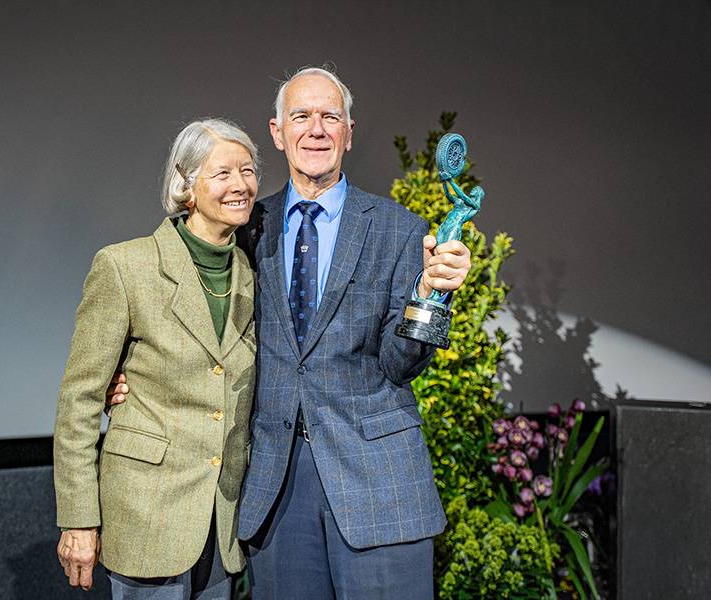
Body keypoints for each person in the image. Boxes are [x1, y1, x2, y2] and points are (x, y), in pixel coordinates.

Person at [108, 66, 472, 598]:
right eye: (301, 116)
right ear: (278, 133)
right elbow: (187, 319)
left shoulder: (401, 229)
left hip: (378, 487)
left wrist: (434, 296)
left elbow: (401, 364)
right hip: (275, 490)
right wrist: (130, 377)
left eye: (331, 116)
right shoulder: (246, 227)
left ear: (349, 131)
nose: (316, 129)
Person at [53, 118, 260, 600]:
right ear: (186, 184)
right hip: (147, 514)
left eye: (248, 171)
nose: (241, 185)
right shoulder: (126, 267)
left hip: (223, 519)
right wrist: (79, 520)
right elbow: (80, 402)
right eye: (223, 172)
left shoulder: (253, 271)